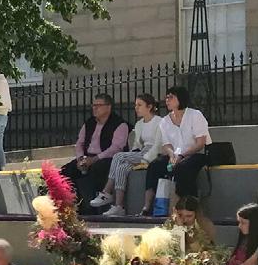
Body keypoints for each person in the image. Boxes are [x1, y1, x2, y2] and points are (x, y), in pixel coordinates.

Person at [89, 93, 165, 217]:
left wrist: (145, 159)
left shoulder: (160, 122)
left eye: (140, 105)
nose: (136, 108)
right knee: (121, 168)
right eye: (135, 105)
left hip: (153, 154)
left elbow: (158, 146)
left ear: (149, 106)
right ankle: (119, 206)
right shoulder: (139, 124)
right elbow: (136, 146)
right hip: (141, 153)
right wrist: (132, 157)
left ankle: (106, 191)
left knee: (118, 156)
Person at [144, 85, 211, 216]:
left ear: (181, 98)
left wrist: (181, 155)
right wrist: (172, 155)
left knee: (183, 168)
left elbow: (200, 143)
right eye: (166, 97)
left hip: (196, 154)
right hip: (176, 155)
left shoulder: (195, 115)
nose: (167, 100)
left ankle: (188, 207)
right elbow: (166, 144)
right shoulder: (165, 121)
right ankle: (147, 206)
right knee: (154, 166)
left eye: (171, 97)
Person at [60, 93, 128, 211]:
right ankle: (71, 206)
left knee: (95, 170)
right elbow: (80, 143)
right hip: (86, 157)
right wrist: (80, 158)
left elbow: (116, 148)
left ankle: (92, 207)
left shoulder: (120, 124)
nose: (95, 108)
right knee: (65, 171)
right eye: (93, 105)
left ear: (108, 107)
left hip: (106, 158)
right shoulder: (89, 123)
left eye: (98, 105)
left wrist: (95, 159)